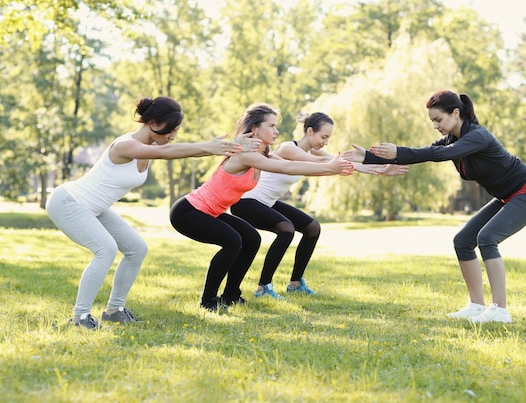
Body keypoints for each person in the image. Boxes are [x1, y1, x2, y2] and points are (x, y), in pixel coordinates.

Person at [46, 96, 259, 330]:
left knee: (136, 248)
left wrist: (230, 146)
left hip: (95, 208)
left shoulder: (150, 147)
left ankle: (115, 311)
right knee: (105, 249)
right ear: (154, 124)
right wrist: (209, 147)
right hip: (69, 202)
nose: (173, 136)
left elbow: (177, 150)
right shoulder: (125, 145)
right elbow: (170, 152)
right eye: (171, 130)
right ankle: (80, 317)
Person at [343, 90, 526, 323]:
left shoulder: (477, 136)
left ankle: (500, 310)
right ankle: (476, 305)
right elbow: (424, 153)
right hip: (507, 195)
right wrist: (369, 157)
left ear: (456, 113)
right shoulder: (453, 139)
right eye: (432, 121)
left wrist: (398, 151)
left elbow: (438, 154)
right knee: (463, 241)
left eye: (438, 120)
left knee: (488, 238)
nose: (435, 126)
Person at [168, 103, 355, 312]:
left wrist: (334, 169)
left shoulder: (262, 153)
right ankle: (208, 301)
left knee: (251, 238)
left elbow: (293, 168)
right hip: (189, 211)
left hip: (210, 211)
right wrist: (330, 167)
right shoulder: (245, 153)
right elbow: (286, 166)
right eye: (272, 125)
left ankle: (231, 296)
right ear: (255, 129)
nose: (276, 131)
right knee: (232, 241)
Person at [230, 111, 409, 300]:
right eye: (324, 137)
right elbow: (323, 162)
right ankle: (263, 287)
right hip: (247, 202)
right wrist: (358, 162)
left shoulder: (311, 151)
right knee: (286, 229)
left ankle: (296, 283)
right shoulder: (287, 148)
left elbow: (335, 161)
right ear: (309, 131)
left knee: (312, 228)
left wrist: (381, 168)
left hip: (268, 203)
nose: (326, 142)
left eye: (328, 138)